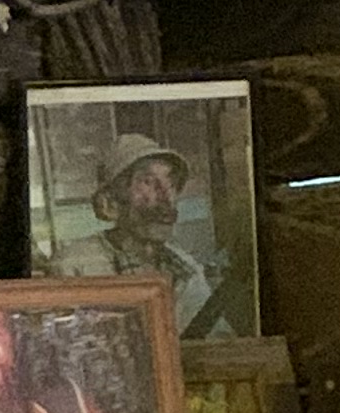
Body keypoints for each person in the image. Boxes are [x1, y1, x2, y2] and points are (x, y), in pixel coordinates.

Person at [53, 135, 226, 335]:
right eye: (147, 182)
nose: (166, 197)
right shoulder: (75, 265)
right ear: (110, 202)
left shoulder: (185, 269)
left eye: (170, 183)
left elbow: (217, 340)